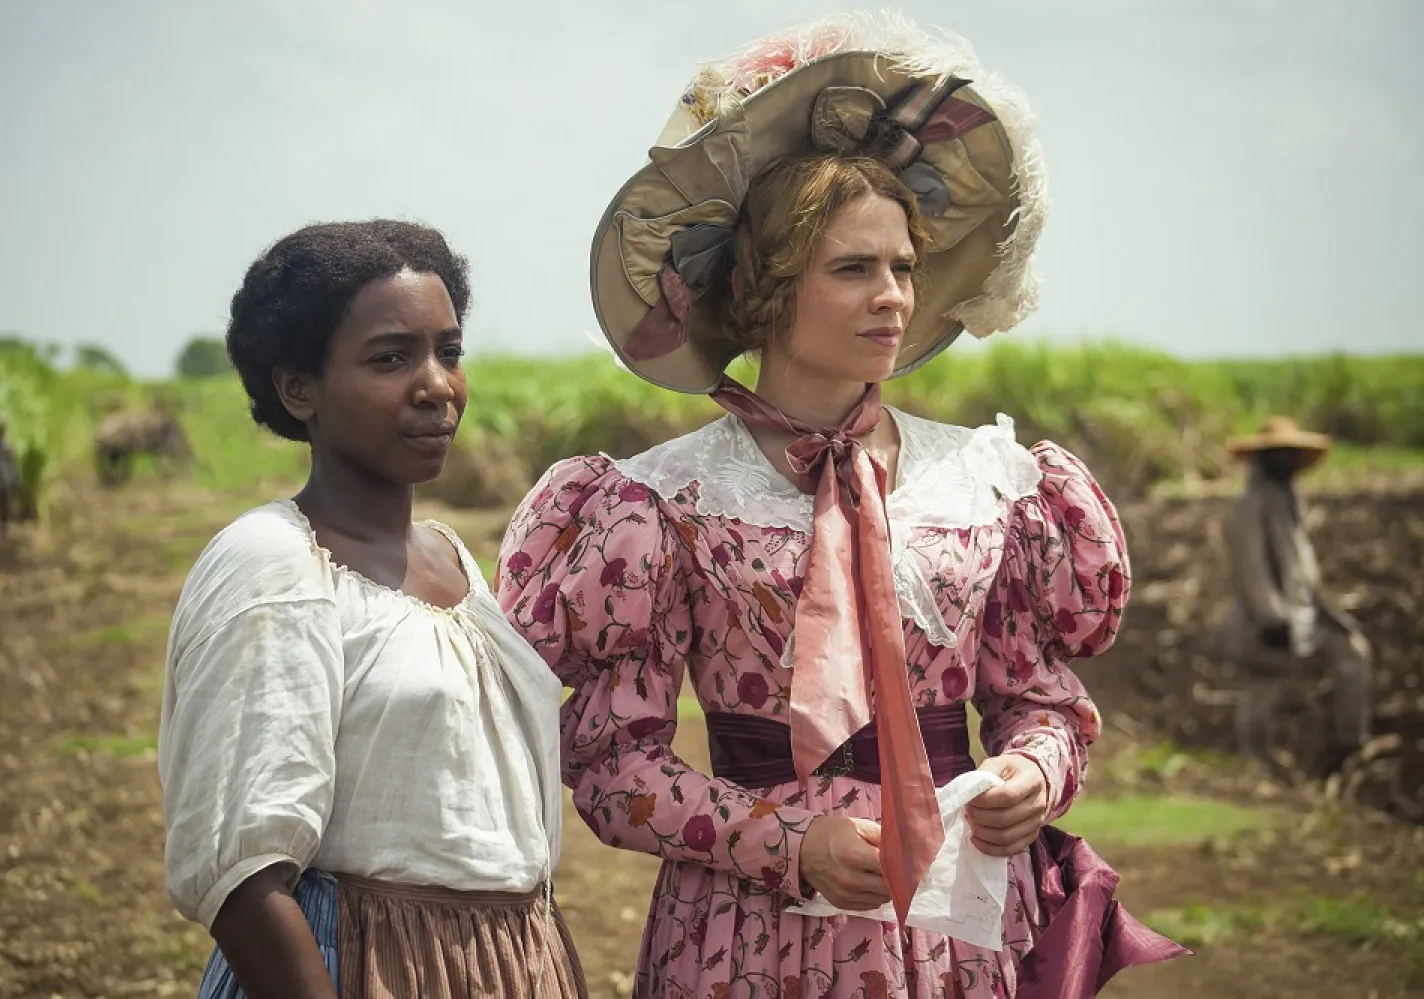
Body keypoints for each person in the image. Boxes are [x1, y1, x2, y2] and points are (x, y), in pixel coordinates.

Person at [497, 15, 1187, 998]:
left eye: (904, 267)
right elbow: (616, 765)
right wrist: (788, 841)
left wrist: (1032, 772)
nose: (895, 297)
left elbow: (1043, 701)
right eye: (855, 269)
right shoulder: (663, 505)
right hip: (746, 936)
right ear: (771, 288)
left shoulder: (987, 486)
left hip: (957, 924)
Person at [157, 220, 587, 999]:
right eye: (391, 357)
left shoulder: (454, 561)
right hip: (359, 963)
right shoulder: (277, 565)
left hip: (503, 962)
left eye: (449, 352)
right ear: (299, 387)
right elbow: (244, 875)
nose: (437, 384)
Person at [1221, 416, 1373, 773]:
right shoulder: (1248, 506)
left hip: (1305, 613)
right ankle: (1254, 763)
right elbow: (1251, 568)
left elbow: (1304, 571)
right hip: (1266, 618)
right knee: (1263, 687)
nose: (1287, 462)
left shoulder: (1290, 502)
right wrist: (1271, 618)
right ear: (1263, 459)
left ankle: (1349, 742)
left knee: (1352, 650)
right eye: (1280, 454)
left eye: (1292, 454)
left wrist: (1332, 615)